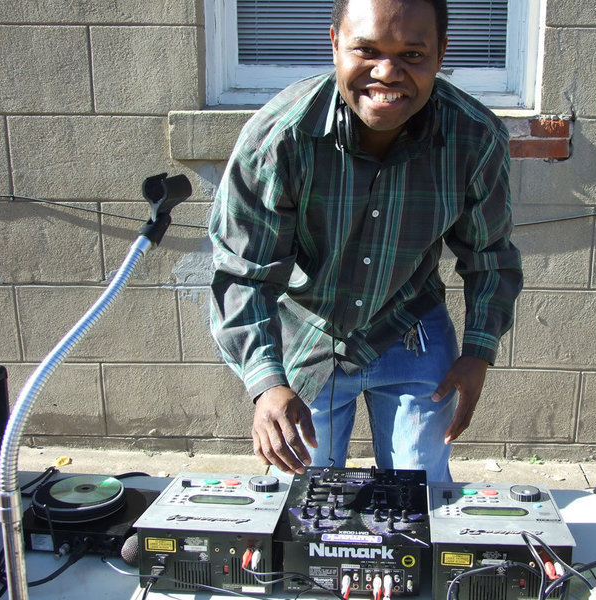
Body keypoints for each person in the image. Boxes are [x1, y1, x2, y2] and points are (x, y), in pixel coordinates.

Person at [209, 0, 523, 482]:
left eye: (413, 55)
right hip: (310, 338)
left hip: (411, 327)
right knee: (305, 508)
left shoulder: (475, 139)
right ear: (335, 44)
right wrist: (267, 384)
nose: (387, 72)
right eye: (366, 50)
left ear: (441, 54)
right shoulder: (277, 141)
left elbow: (491, 257)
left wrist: (478, 352)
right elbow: (243, 274)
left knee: (420, 499)